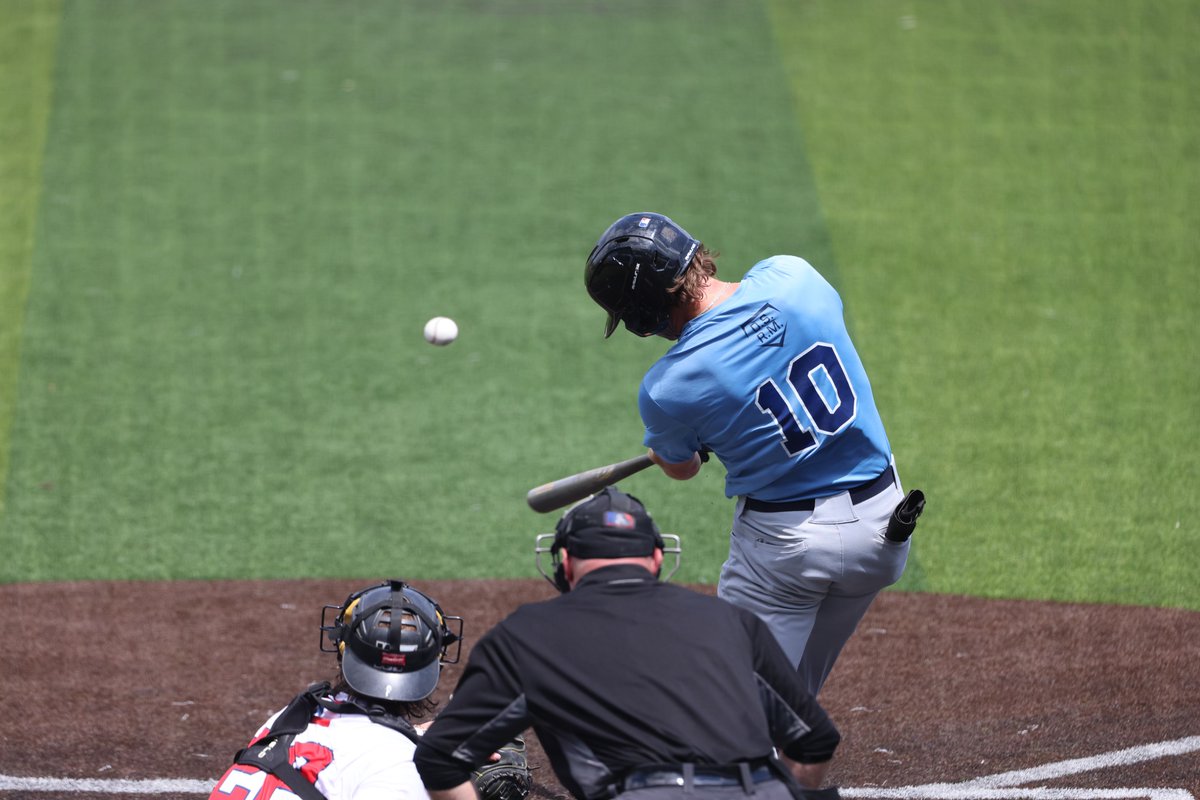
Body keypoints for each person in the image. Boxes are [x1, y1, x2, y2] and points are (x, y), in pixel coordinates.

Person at [582, 212, 921, 696]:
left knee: (733, 695)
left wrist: (678, 450)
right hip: (882, 532)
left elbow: (683, 467)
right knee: (795, 694)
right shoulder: (795, 276)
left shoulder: (668, 388)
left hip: (788, 553)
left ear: (642, 317)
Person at [413, 487, 842, 800]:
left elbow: (440, 757)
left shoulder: (526, 635)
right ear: (656, 559)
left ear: (564, 563)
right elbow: (815, 739)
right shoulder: (731, 621)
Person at [209, 579, 464, 800]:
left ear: (342, 648)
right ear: (436, 661)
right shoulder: (401, 766)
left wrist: (419, 738)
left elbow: (360, 746)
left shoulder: (290, 718)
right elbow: (383, 757)